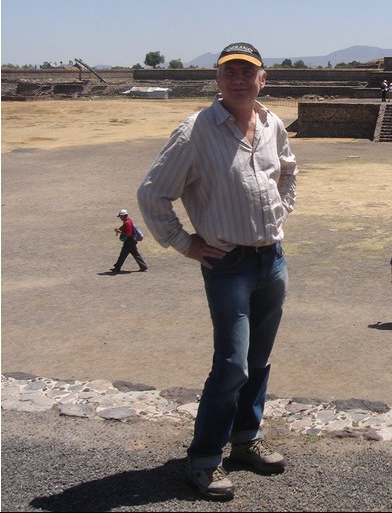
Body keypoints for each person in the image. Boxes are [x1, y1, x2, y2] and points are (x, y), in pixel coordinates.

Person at [137, 42, 298, 500]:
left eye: (248, 72)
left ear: (262, 79)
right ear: (218, 80)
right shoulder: (196, 132)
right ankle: (205, 457)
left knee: (258, 360)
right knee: (231, 363)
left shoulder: (271, 124)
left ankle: (246, 440)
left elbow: (288, 171)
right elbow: (153, 193)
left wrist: (280, 213)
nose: (239, 80)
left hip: (272, 258)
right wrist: (185, 243)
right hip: (227, 264)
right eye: (230, 72)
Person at [111, 208, 147, 273]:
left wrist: (120, 232)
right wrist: (119, 229)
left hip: (129, 241)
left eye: (120, 216)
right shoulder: (127, 220)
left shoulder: (128, 222)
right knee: (135, 254)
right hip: (132, 241)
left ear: (124, 216)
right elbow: (124, 227)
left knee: (123, 254)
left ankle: (117, 267)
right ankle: (143, 266)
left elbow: (129, 233)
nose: (120, 218)